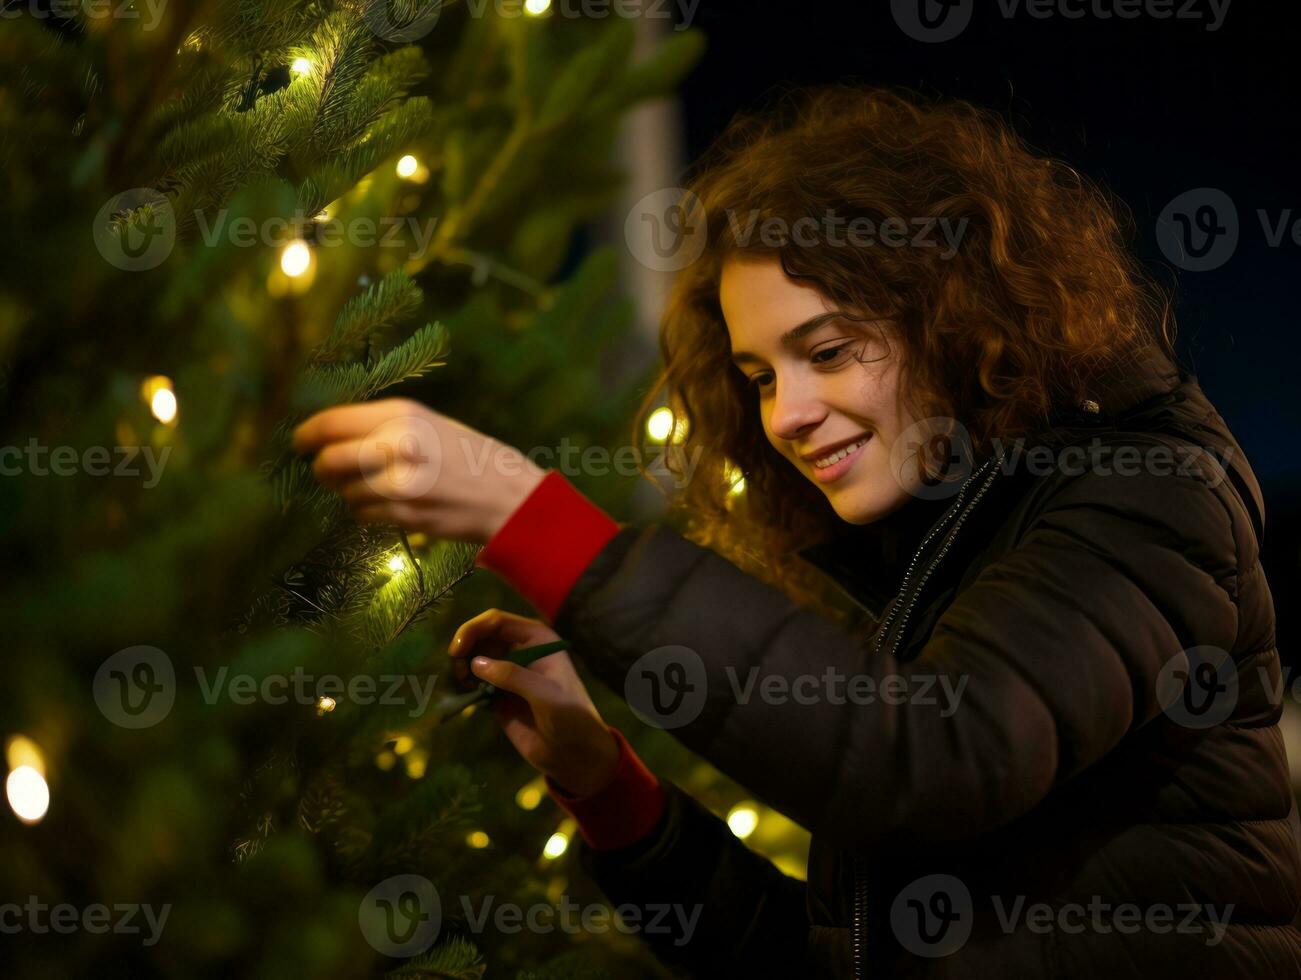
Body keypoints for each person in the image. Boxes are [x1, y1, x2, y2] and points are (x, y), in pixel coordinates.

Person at [292, 84, 1301, 978]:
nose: (784, 416)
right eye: (761, 375)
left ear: (955, 315)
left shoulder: (1147, 490)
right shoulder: (938, 554)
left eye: (827, 351)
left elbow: (929, 755)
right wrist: (612, 793)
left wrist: (528, 513)